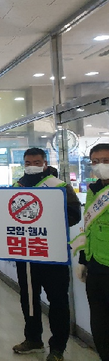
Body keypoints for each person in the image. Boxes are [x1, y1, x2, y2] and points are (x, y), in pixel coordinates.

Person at [12, 148, 81, 361]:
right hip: (26, 253)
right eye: (28, 161)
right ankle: (33, 339)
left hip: (52, 252)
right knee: (29, 298)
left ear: (45, 162)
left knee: (58, 300)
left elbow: (74, 215)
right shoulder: (17, 186)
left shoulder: (59, 186)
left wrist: (48, 223)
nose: (32, 164)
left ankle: (57, 347)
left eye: (37, 161)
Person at [75, 144, 109, 361]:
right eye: (95, 161)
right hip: (96, 266)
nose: (101, 166)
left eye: (106, 160)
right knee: (100, 325)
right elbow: (89, 227)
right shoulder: (93, 189)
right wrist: (83, 260)